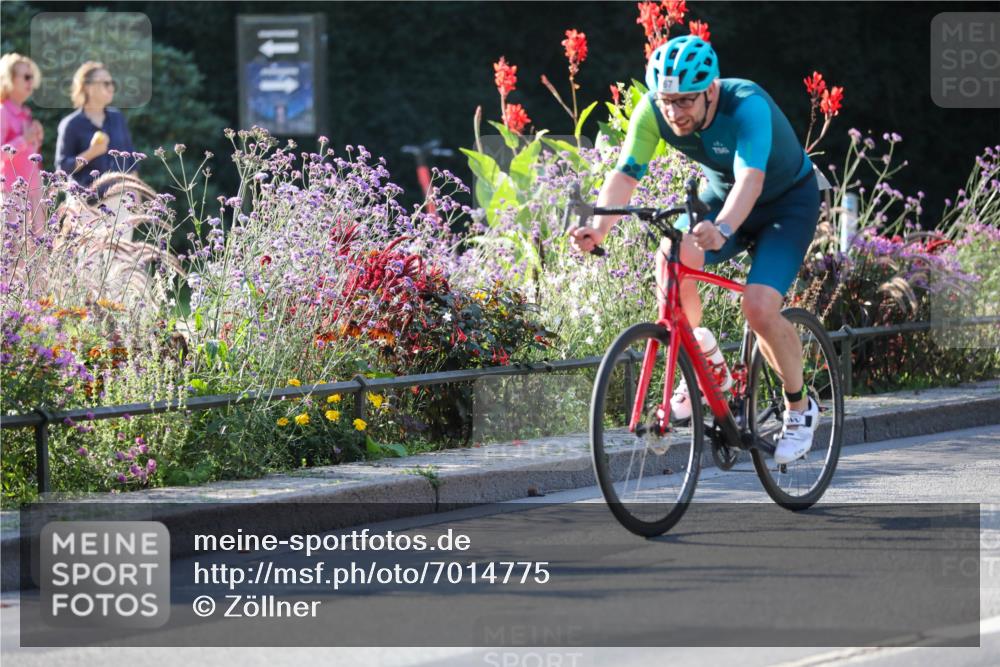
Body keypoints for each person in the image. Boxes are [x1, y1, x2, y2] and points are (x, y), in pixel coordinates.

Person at [569, 35, 821, 465]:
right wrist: (598, 228)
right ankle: (704, 364)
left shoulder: (746, 104)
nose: (673, 112)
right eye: (666, 101)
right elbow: (626, 174)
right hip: (721, 198)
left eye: (685, 101)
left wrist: (723, 228)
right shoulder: (654, 110)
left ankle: (800, 408)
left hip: (786, 205)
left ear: (710, 90)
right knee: (671, 255)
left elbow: (751, 180)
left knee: (758, 307)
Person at [55, 61, 136, 188]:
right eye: (106, 83)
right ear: (87, 87)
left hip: (121, 197)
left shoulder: (118, 118)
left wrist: (136, 196)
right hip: (86, 198)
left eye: (112, 83)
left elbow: (131, 162)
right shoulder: (71, 124)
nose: (111, 88)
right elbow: (62, 170)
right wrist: (92, 152)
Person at [0, 52, 45, 235]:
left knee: (38, 248)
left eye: (32, 77)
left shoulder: (26, 112)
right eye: (26, 77)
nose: (31, 82)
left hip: (33, 192)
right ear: (9, 78)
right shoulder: (2, 112)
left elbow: (29, 157)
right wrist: (24, 139)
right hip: (12, 194)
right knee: (16, 248)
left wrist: (36, 139)